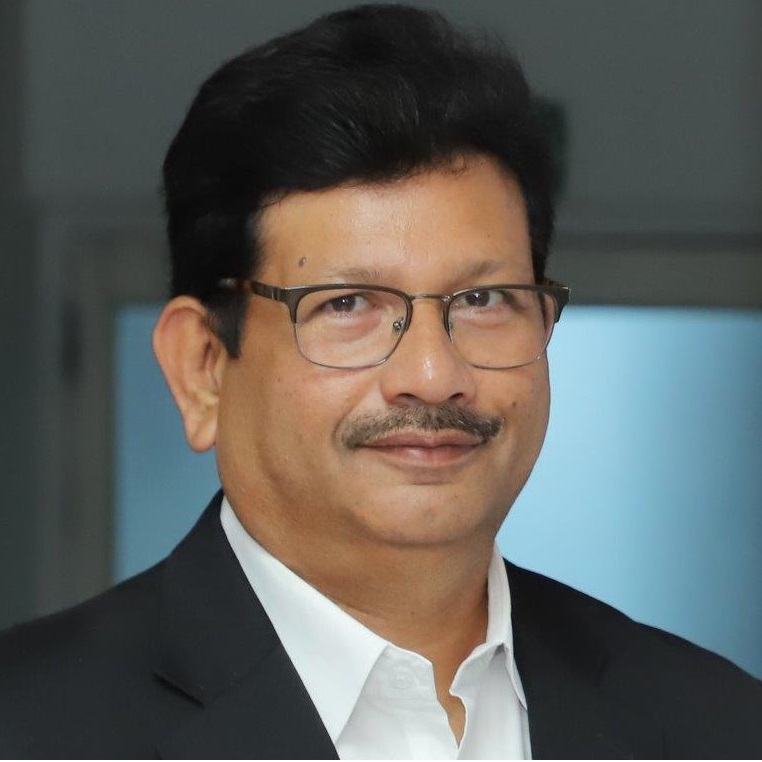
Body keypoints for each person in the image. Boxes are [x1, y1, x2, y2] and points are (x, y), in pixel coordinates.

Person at [1, 4, 760, 759]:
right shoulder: (31, 725)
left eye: (483, 299)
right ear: (202, 369)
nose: (433, 375)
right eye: (348, 305)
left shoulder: (713, 725)